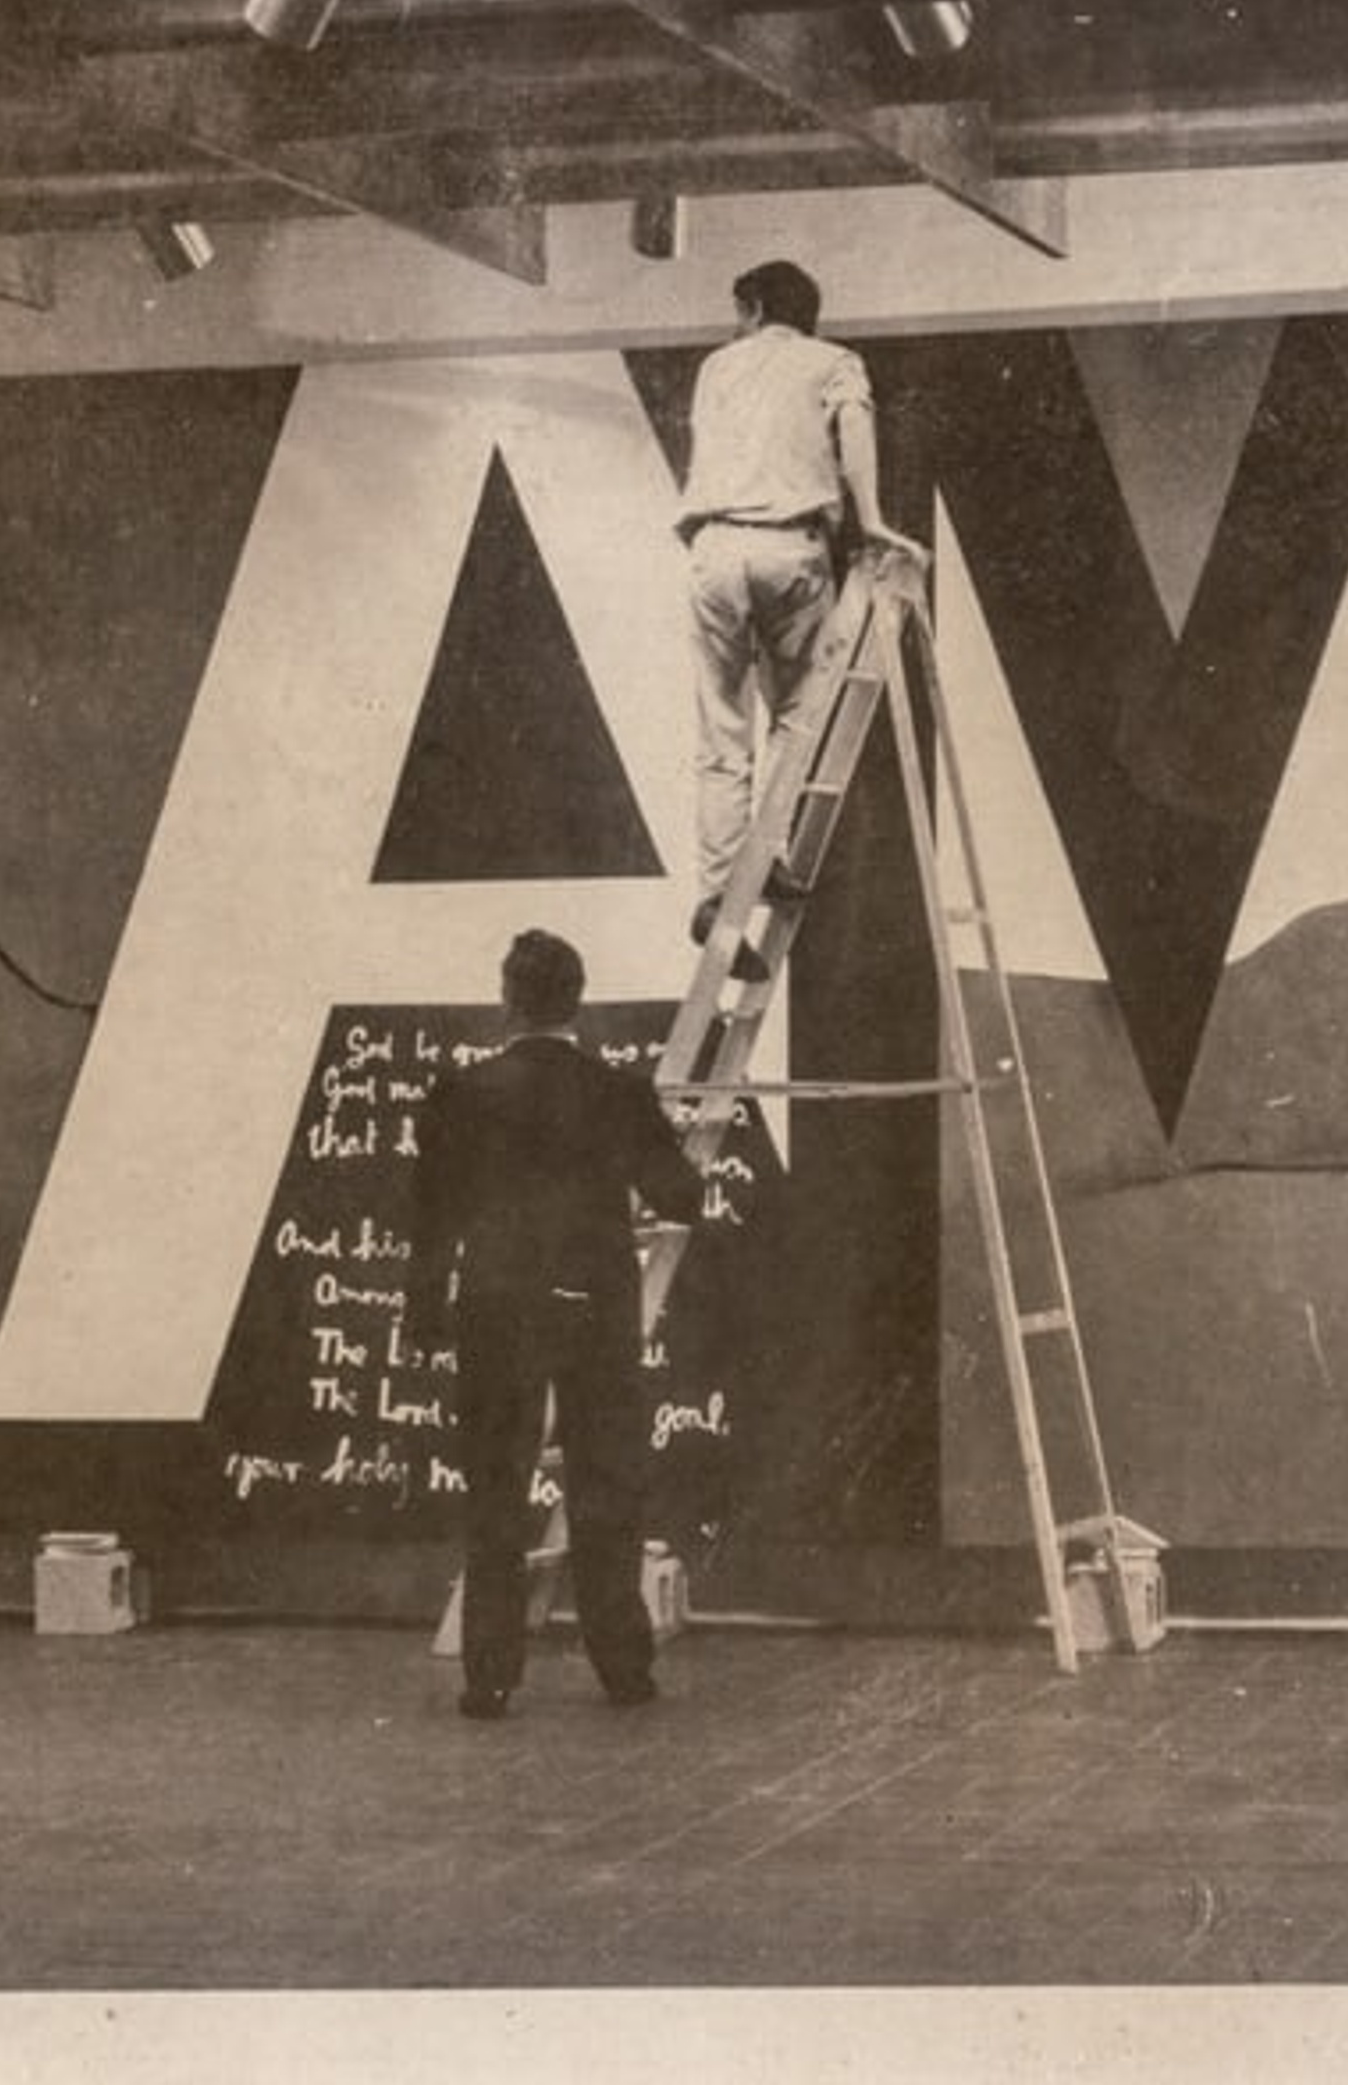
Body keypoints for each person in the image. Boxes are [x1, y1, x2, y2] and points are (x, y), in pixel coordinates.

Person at [409, 928, 696, 1720]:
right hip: (595, 1308)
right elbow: (682, 1198)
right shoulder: (619, 1092)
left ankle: (488, 1678)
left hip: (496, 1309)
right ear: (578, 1000)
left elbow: (432, 1220)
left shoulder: (462, 1093)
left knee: (495, 1492)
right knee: (606, 1488)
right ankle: (625, 1673)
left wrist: (426, 1319)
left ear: (508, 1001)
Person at [674, 260, 919, 970]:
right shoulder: (834, 361)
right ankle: (767, 854)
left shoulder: (717, 367)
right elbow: (856, 430)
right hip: (789, 548)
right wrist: (870, 520)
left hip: (714, 548)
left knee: (722, 731)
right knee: (795, 717)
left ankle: (721, 887)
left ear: (751, 307)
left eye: (737, 312)